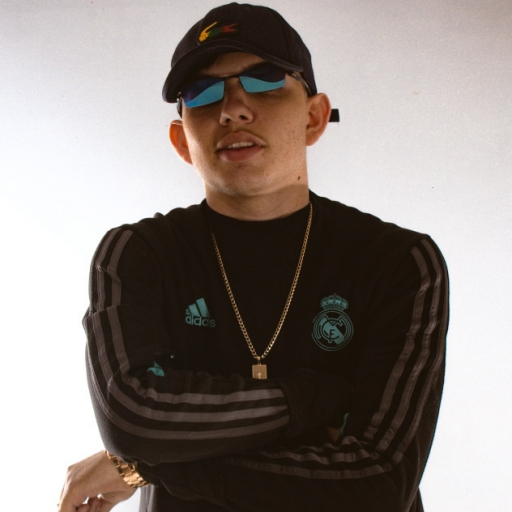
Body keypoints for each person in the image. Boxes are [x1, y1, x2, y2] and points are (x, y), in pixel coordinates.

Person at [58, 3, 449, 512]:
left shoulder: (399, 263)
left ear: (313, 117)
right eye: (202, 93)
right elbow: (132, 419)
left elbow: (376, 484)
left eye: (265, 81)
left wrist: (147, 464)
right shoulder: (136, 254)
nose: (233, 108)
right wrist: (316, 399)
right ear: (181, 140)